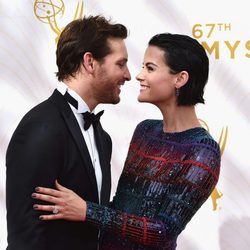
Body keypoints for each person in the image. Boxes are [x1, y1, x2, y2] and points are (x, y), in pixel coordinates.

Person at [32, 33, 221, 250]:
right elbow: (120, 207)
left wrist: (87, 211)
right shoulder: (145, 130)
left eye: (150, 68)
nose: (138, 76)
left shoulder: (203, 151)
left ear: (180, 78)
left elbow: (162, 233)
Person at [5, 15, 131, 250]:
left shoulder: (103, 138)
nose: (128, 75)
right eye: (120, 64)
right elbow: (25, 237)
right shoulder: (40, 126)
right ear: (90, 62)